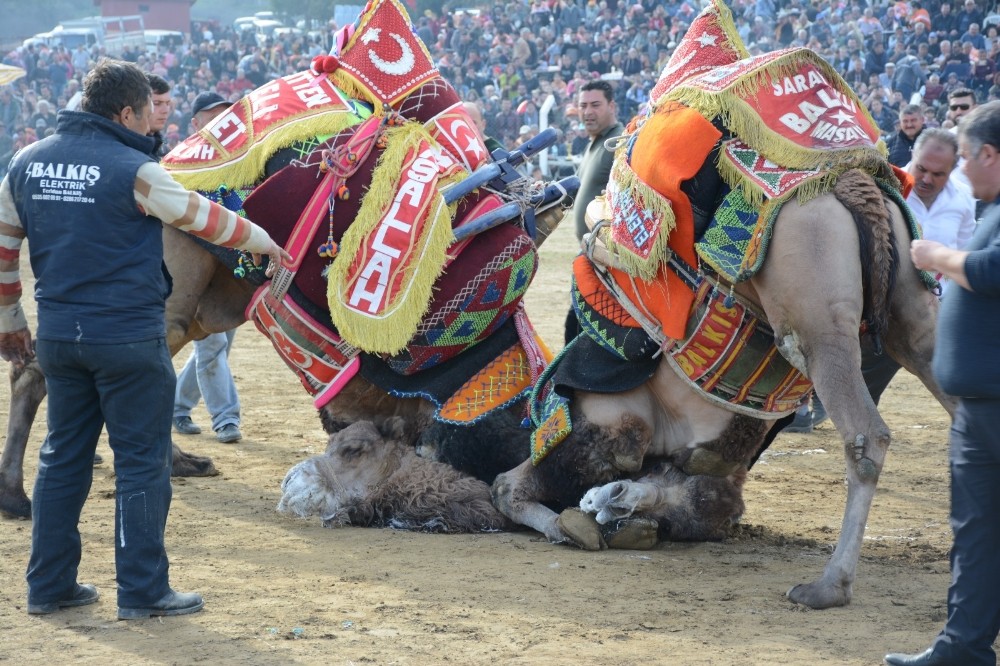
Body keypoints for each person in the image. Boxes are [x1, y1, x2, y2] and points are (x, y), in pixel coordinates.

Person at [0, 59, 290, 619]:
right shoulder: (133, 167)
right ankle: (143, 590)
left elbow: (3, 249)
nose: (151, 129)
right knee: (141, 462)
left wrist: (10, 320)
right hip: (128, 338)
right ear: (127, 111)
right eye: (146, 118)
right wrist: (265, 242)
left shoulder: (24, 164)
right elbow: (205, 218)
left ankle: (50, 587)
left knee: (61, 460)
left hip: (60, 336)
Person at [884, 100, 1000, 666]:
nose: (952, 173)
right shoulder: (990, 207)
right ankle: (963, 647)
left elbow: (994, 271)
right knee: (976, 534)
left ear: (987, 155)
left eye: (962, 156)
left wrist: (938, 257)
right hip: (979, 408)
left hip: (995, 405)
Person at [172, 91, 244, 444]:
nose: (219, 123)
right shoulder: (181, 161)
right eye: (212, 116)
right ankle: (226, 419)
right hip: (195, 273)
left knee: (216, 347)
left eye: (225, 116)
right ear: (195, 123)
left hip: (230, 272)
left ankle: (177, 406)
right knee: (212, 348)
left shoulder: (238, 159)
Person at [565, 79, 623, 343]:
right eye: (583, 105)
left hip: (607, 262)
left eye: (595, 105)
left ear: (612, 106)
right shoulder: (594, 144)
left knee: (582, 328)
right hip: (589, 256)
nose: (587, 111)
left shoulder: (618, 142)